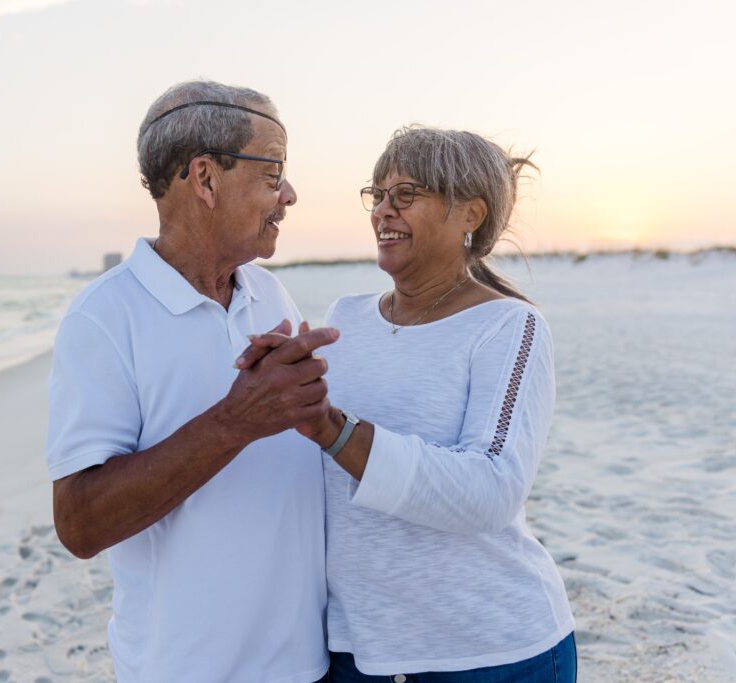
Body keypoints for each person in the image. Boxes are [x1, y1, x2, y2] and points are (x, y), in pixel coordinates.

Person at [239, 126, 577, 682]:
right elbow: (314, 474)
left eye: (407, 194)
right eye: (378, 194)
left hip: (490, 653)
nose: (383, 211)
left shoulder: (510, 327)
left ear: (470, 214)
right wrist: (274, 384)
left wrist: (332, 428)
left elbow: (491, 490)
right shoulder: (345, 317)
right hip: (357, 651)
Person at [45, 81, 336, 683]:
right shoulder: (103, 317)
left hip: (307, 666)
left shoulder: (267, 291)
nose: (290, 194)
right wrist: (236, 421)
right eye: (273, 171)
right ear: (204, 179)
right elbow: (80, 524)